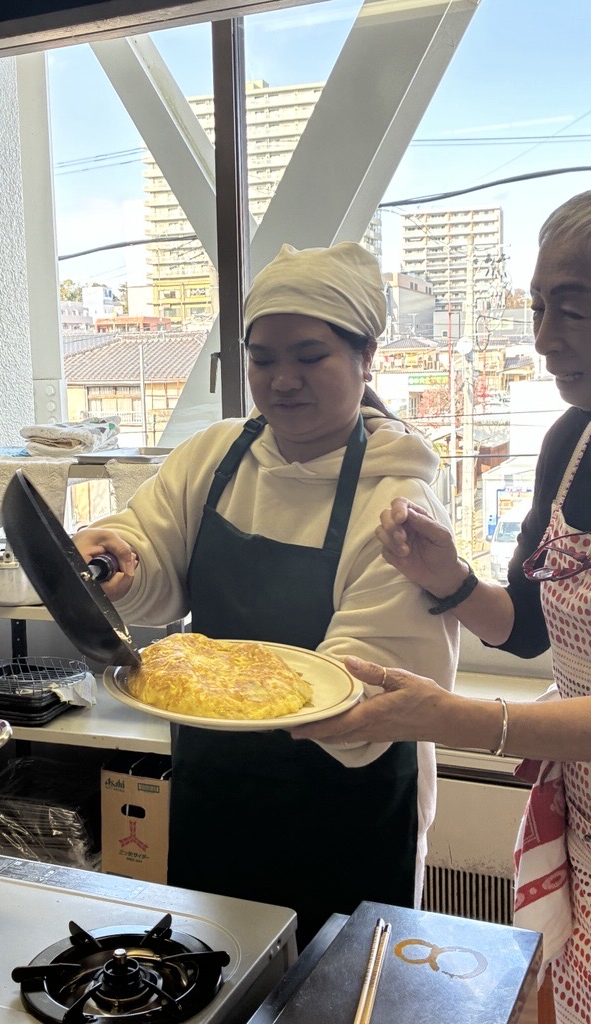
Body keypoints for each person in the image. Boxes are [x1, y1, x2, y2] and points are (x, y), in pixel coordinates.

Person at [74, 241, 458, 948]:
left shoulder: (398, 499)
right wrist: (119, 560)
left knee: (338, 983)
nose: (282, 380)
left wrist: (247, 695)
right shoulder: (214, 456)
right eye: (262, 358)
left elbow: (375, 677)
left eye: (310, 357)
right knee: (213, 967)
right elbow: (151, 545)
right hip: (215, 783)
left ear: (367, 357)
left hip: (346, 798)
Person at [292, 192, 591, 1017]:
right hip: (580, 822)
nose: (545, 338)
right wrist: (449, 579)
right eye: (537, 306)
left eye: (573, 308)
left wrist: (452, 717)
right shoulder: (571, 441)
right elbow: (524, 631)